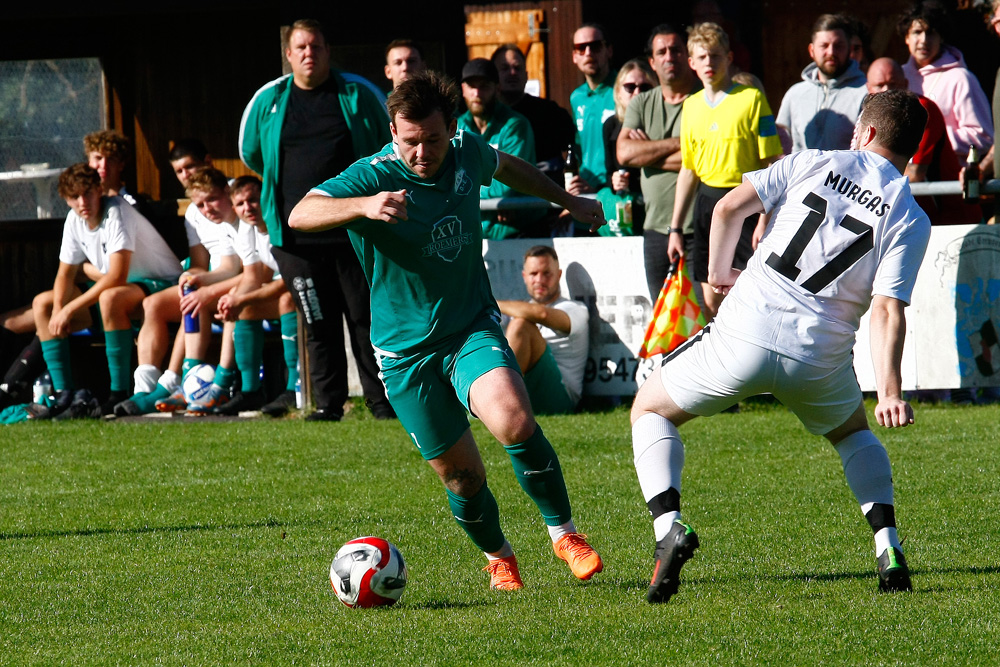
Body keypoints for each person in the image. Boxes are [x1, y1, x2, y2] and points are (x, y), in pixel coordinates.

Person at [288, 71, 605, 591]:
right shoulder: (371, 175)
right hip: (403, 354)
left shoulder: (465, 152)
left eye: (432, 140)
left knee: (514, 421)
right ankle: (500, 556)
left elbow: (512, 170)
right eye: (410, 141)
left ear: (451, 129)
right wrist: (363, 206)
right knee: (462, 477)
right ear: (393, 132)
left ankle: (564, 534)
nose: (421, 152)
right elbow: (301, 212)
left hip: (469, 329)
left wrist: (567, 202)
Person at [631, 89, 930, 604]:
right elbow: (886, 309)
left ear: (868, 133)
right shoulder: (909, 215)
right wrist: (889, 391)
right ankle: (888, 546)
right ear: (913, 150)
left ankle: (668, 530)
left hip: (745, 331)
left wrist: (719, 274)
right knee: (854, 435)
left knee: (650, 409)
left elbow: (726, 208)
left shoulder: (814, 160)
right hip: (818, 355)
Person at [239, 18, 394, 421]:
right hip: (297, 241)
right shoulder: (269, 102)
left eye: (317, 46)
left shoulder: (357, 95)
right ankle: (328, 404)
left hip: (354, 231)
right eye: (302, 48)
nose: (310, 54)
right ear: (289, 55)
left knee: (364, 318)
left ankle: (381, 403)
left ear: (328, 51)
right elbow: (252, 154)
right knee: (317, 321)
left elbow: (385, 145)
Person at [29, 164, 181, 418]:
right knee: (42, 304)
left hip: (162, 283)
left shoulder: (117, 211)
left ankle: (117, 393)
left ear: (99, 190)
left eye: (87, 193)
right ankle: (63, 394)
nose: (82, 202)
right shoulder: (74, 220)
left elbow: (116, 276)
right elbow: (65, 273)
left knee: (111, 297)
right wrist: (58, 310)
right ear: (66, 200)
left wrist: (69, 309)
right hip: (126, 289)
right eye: (74, 197)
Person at [669, 22, 781, 319]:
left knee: (749, 291)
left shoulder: (751, 98)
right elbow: (689, 170)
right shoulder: (691, 106)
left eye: (716, 56)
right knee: (711, 292)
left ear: (729, 58)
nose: (710, 63)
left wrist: (763, 220)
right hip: (706, 203)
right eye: (703, 57)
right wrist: (675, 228)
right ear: (691, 63)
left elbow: (771, 164)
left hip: (745, 200)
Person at [616, 24, 699, 302]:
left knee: (706, 321)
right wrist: (683, 144)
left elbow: (707, 160)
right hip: (654, 230)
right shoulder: (641, 103)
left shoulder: (704, 99)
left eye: (675, 50)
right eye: (661, 52)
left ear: (687, 56)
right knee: (664, 322)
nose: (669, 57)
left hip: (699, 228)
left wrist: (648, 155)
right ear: (652, 62)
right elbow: (625, 154)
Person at [210, 176, 300, 417]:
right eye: (240, 204)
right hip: (289, 289)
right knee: (245, 309)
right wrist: (233, 301)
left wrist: (240, 298)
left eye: (253, 200)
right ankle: (250, 391)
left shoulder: (280, 222)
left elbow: (287, 282)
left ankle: (294, 388)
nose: (247, 208)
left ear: (265, 199)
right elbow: (252, 277)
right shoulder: (247, 229)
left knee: (285, 300)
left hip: (308, 289)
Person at [867, 57, 979, 225]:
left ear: (905, 84)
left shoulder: (920, 110)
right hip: (906, 220)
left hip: (952, 221)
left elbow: (914, 174)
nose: (887, 91)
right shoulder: (867, 115)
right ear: (868, 88)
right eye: (879, 85)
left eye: (893, 84)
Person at [456, 58, 544, 239]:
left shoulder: (515, 124)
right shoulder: (456, 127)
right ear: (463, 89)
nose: (477, 92)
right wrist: (494, 202)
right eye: (471, 86)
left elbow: (509, 180)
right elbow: (448, 178)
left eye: (484, 86)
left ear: (497, 88)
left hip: (517, 229)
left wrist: (466, 191)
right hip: (474, 231)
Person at [496, 246, 588, 415]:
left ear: (559, 275)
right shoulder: (519, 309)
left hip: (561, 399)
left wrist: (490, 303)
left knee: (521, 325)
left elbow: (542, 313)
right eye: (533, 274)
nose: (539, 280)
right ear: (524, 277)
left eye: (547, 273)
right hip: (527, 386)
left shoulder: (574, 308)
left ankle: (499, 406)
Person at [899, 1, 993, 162]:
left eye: (931, 33)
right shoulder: (898, 76)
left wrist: (932, 140)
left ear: (941, 37)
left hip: (947, 180)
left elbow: (983, 136)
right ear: (907, 37)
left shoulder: (961, 78)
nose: (923, 40)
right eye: (917, 32)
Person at [776, 14, 868, 153]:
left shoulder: (865, 92)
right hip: (801, 174)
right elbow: (781, 144)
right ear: (812, 50)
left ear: (849, 49)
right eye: (824, 46)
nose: (831, 52)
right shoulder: (795, 94)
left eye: (838, 46)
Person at [491, 43, 576, 179]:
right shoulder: (484, 117)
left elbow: (575, 150)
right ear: (493, 76)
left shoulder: (551, 113)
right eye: (505, 68)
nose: (512, 73)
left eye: (517, 68)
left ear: (526, 75)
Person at [596, 59, 655, 237]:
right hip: (625, 209)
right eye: (630, 87)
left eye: (644, 88)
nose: (637, 93)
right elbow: (608, 173)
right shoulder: (610, 125)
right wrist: (614, 182)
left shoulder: (660, 125)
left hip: (655, 209)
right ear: (618, 92)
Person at [569, 23, 616, 195]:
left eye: (595, 46)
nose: (588, 53)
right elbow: (580, 148)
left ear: (609, 51)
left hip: (617, 187)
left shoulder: (625, 88)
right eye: (581, 48)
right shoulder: (576, 97)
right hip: (587, 190)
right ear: (574, 56)